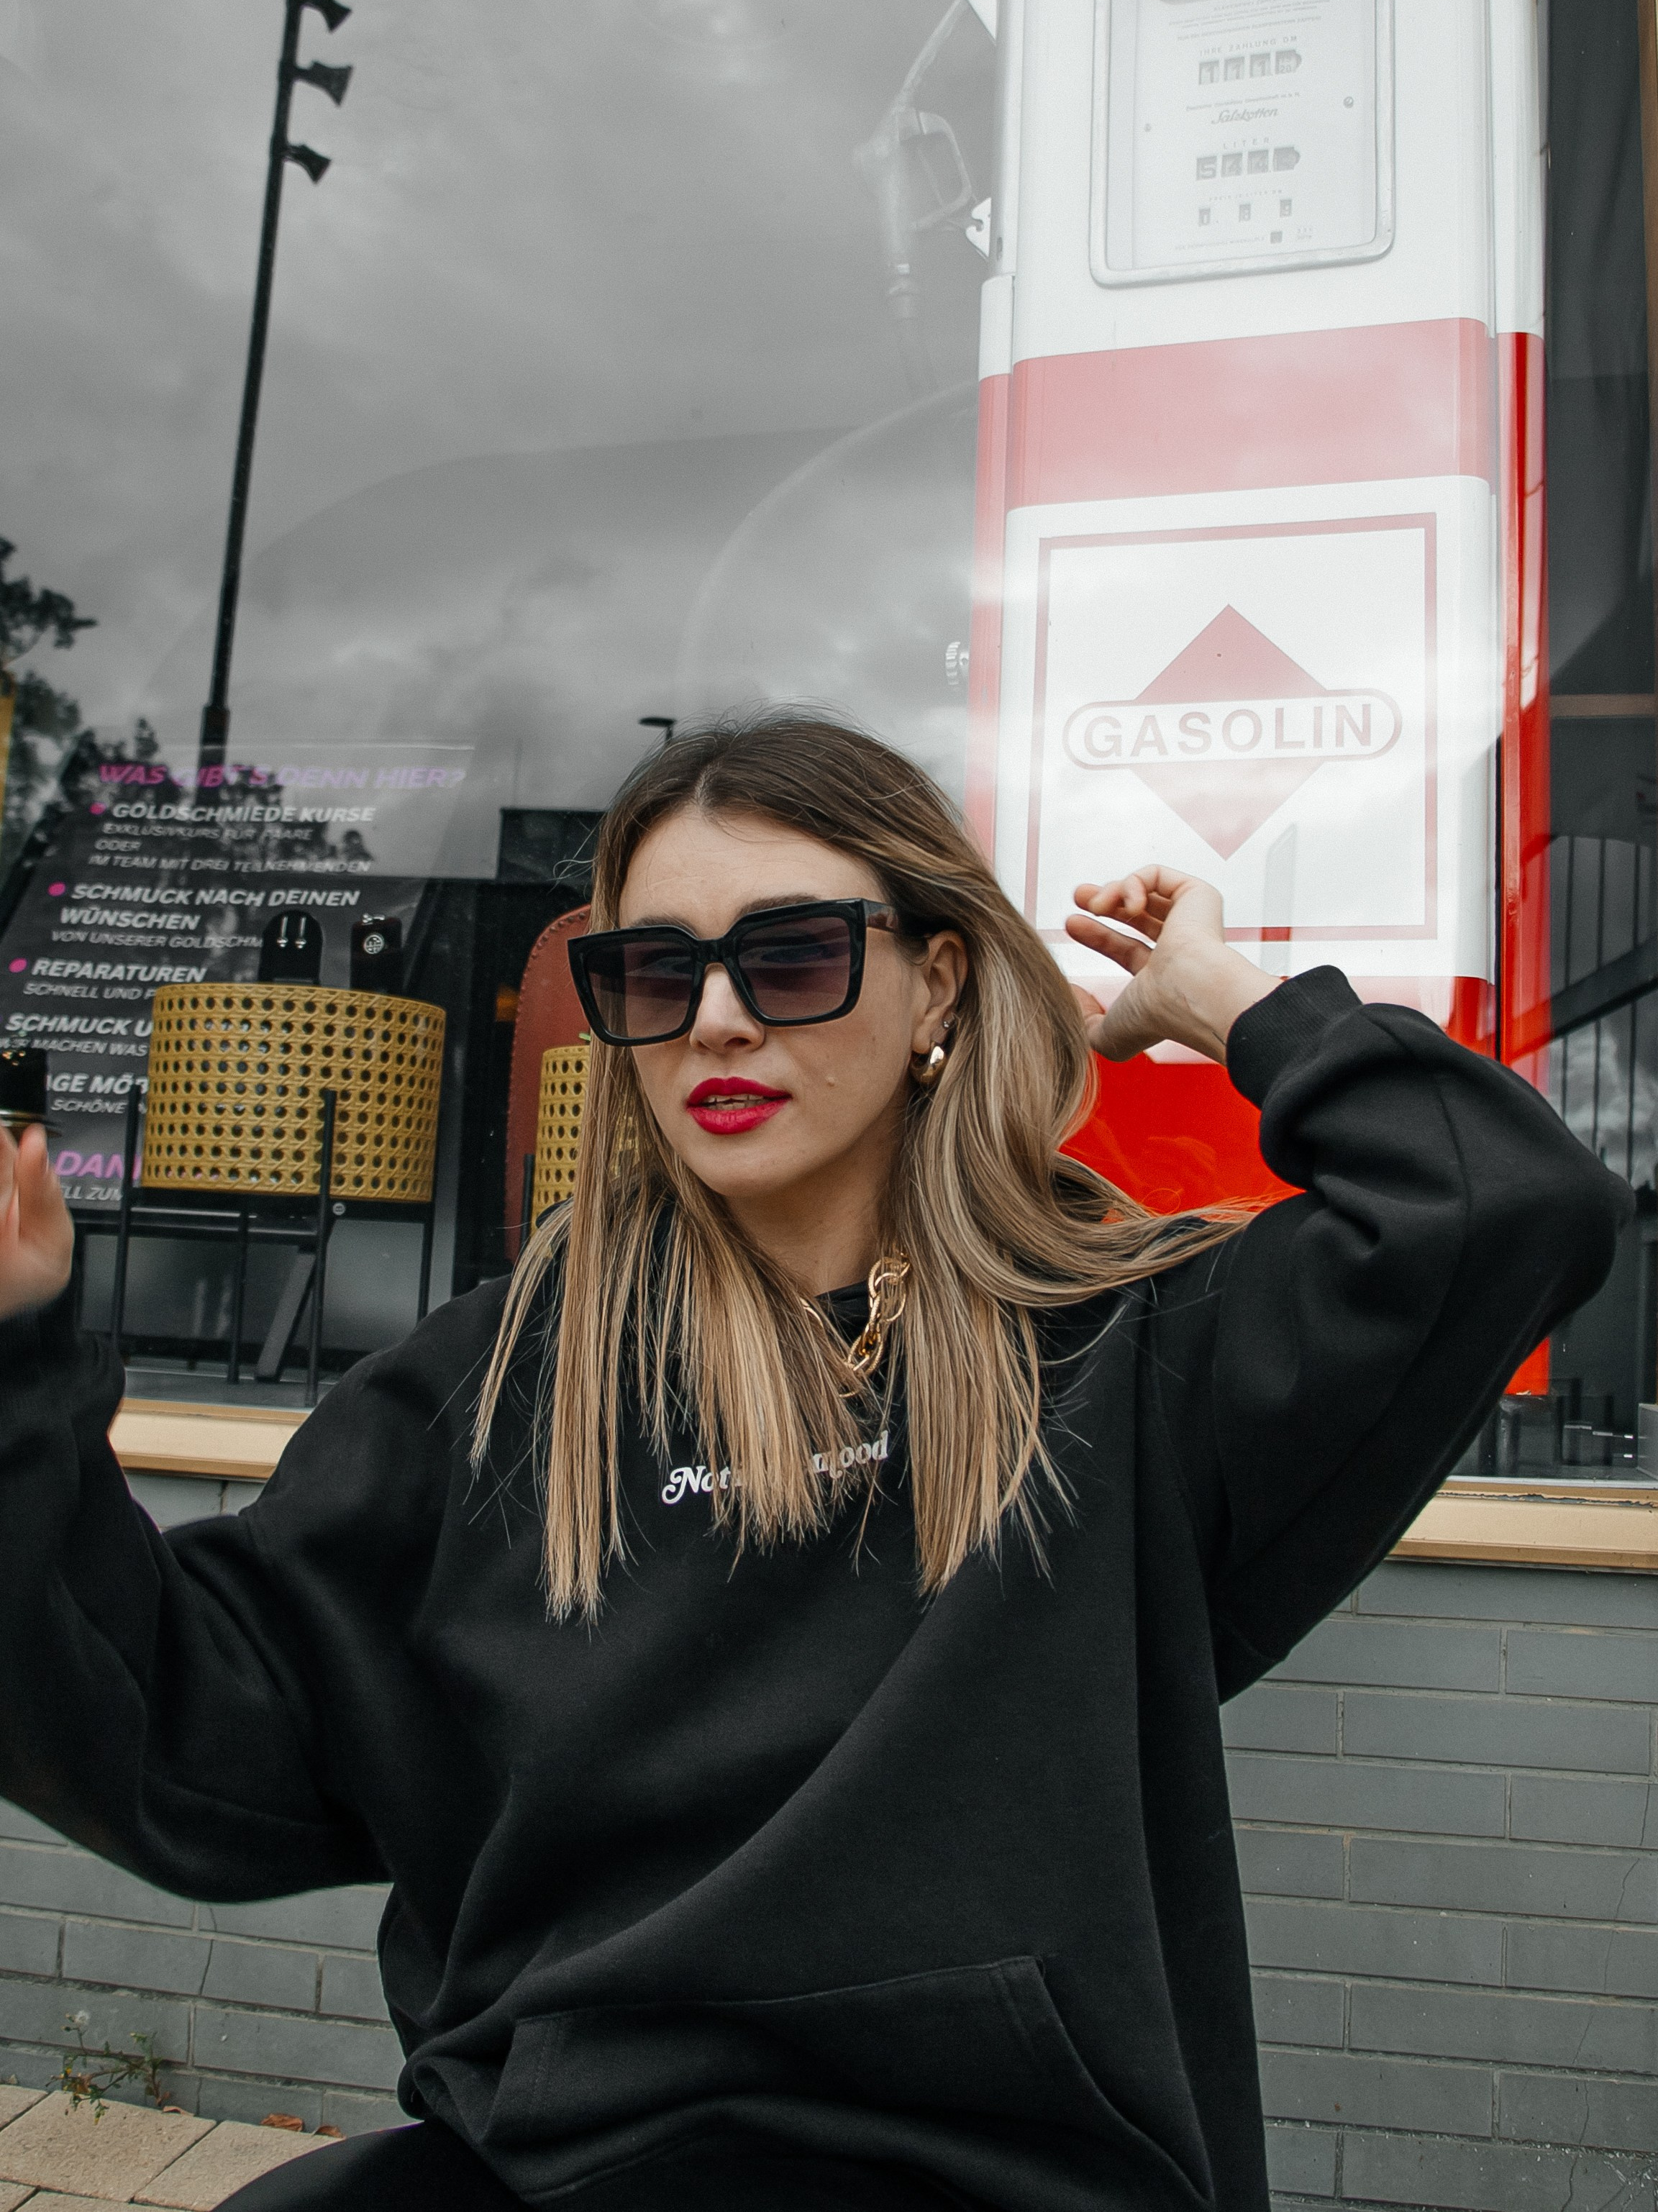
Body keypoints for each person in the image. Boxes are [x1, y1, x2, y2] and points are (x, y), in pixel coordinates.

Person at [0, 716, 1626, 2212]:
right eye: (655, 971)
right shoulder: (501, 1385)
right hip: (566, 2169)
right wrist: (17, 1351)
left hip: (1002, 2174)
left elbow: (1503, 1203)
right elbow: (168, 1731)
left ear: (937, 989)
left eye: (788, 955)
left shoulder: (1131, 1359)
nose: (714, 1015)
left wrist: (1226, 999)